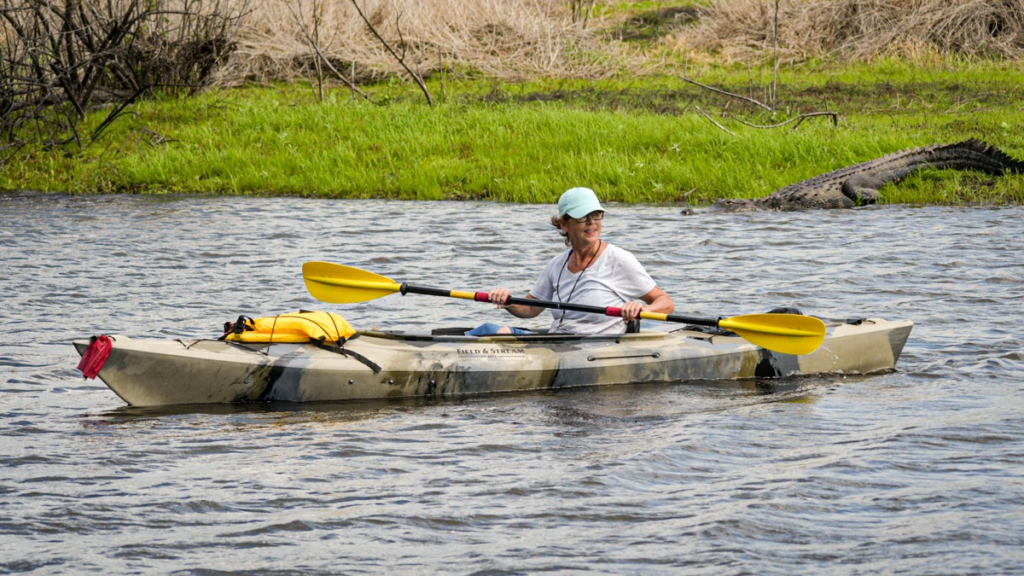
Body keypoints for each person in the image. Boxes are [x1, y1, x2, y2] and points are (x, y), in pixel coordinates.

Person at [467, 187, 674, 336]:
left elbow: (665, 302)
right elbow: (530, 309)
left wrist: (643, 310)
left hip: (596, 348)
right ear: (564, 224)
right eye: (583, 216)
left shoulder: (619, 259)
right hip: (558, 341)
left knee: (500, 335)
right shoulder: (556, 265)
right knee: (487, 329)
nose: (592, 222)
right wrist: (507, 301)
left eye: (597, 214)